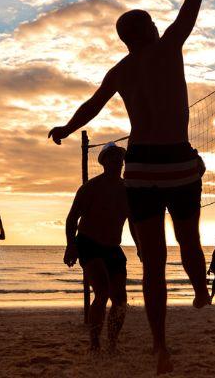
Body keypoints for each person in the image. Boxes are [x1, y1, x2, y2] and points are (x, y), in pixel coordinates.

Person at [47, 0, 208, 374]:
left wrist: (64, 127)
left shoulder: (120, 70)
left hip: (139, 167)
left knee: (152, 265)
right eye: (155, 23)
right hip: (176, 159)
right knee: (189, 239)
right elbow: (193, 1)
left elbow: (90, 108)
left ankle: (160, 348)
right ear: (151, 30)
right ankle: (199, 290)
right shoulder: (169, 46)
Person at [63, 143, 130, 352]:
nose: (116, 161)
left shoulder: (127, 189)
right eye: (111, 157)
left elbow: (134, 222)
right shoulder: (91, 187)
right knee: (101, 293)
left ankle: (112, 342)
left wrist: (141, 247)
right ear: (103, 162)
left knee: (120, 300)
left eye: (119, 157)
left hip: (113, 246)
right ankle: (95, 343)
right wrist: (70, 246)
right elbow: (72, 218)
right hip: (88, 242)